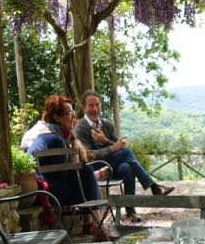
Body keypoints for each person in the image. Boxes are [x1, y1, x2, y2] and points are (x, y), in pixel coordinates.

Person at [74, 90, 174, 223]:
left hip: (112, 167)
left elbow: (121, 147)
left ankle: (131, 212)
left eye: (97, 105)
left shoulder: (107, 124)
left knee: (127, 167)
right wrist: (112, 148)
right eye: (91, 106)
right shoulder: (81, 128)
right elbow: (88, 156)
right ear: (84, 107)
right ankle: (153, 186)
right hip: (95, 170)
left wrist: (105, 141)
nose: (95, 109)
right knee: (126, 155)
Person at [28, 95, 107, 240]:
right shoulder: (54, 139)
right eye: (70, 114)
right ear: (57, 117)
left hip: (52, 192)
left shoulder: (48, 135)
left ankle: (92, 223)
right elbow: (66, 174)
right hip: (59, 195)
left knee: (86, 172)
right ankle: (96, 224)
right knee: (87, 171)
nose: (73, 117)